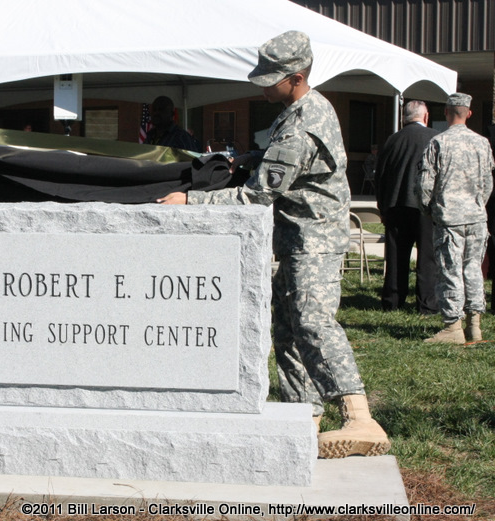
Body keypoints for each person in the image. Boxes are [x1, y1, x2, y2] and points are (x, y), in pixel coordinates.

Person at [157, 30, 390, 459]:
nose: (262, 87)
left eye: (271, 80)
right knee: (287, 330)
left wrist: (191, 201)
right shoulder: (300, 110)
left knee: (313, 323)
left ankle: (360, 417)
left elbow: (258, 195)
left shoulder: (302, 125)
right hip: (295, 238)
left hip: (312, 240)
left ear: (297, 78)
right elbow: (281, 163)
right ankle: (303, 415)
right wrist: (249, 158)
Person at [418, 93, 494, 344]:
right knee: (473, 269)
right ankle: (474, 325)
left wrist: (428, 209)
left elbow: (425, 184)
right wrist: (477, 205)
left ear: (445, 112)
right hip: (476, 217)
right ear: (469, 113)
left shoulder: (438, 142)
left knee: (450, 270)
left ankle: (453, 326)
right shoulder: (482, 143)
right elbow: (488, 183)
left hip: (449, 218)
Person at [375, 100, 439, 315]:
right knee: (427, 257)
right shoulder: (434, 138)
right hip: (424, 207)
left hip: (396, 204)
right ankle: (427, 304)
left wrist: (382, 206)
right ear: (426, 116)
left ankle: (392, 300)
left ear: (404, 118)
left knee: (395, 257)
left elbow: (380, 175)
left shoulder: (392, 140)